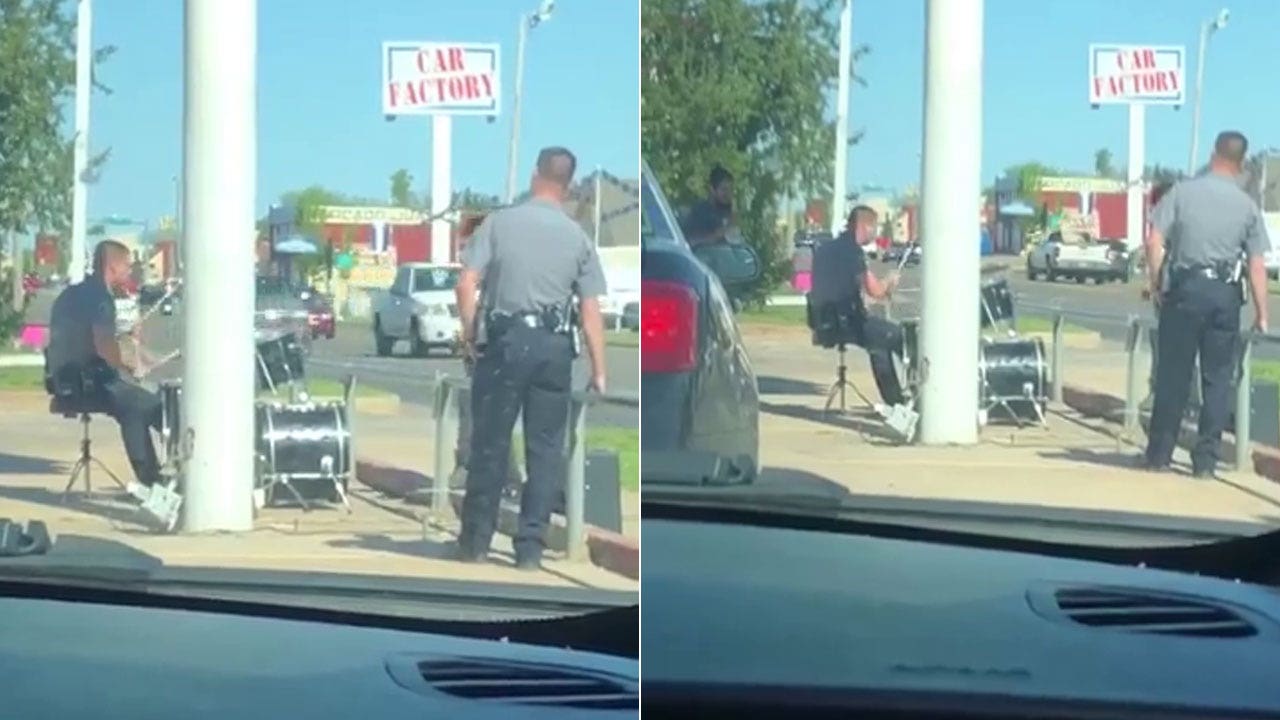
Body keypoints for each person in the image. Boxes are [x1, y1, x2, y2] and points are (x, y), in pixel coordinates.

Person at [454, 146, 608, 571]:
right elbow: (590, 311)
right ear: (568, 186)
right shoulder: (578, 238)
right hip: (554, 348)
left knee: (490, 445)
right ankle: (529, 550)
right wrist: (599, 371)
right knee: (545, 452)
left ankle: (476, 544)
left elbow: (466, 284)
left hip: (505, 343)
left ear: (536, 175)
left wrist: (471, 335)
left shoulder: (499, 224)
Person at [1142, 130, 1271, 477]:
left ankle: (1159, 455)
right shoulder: (1247, 206)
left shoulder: (1182, 193)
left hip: (1184, 291)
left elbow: (1154, 241)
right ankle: (1205, 462)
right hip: (1224, 296)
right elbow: (1256, 265)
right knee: (1217, 380)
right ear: (1241, 163)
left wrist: (1156, 284)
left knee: (1173, 376)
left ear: (1214, 154)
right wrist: (1262, 314)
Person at [46, 240, 164, 489]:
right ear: (112, 266)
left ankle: (155, 478)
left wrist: (132, 352)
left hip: (63, 380)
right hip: (86, 382)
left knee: (141, 401)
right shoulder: (101, 298)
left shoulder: (74, 294)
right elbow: (103, 347)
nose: (130, 271)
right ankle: (154, 483)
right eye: (127, 266)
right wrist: (132, 368)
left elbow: (85, 340)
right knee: (145, 406)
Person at [809, 205, 905, 406]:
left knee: (879, 336)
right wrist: (889, 281)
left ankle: (895, 400)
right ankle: (897, 402)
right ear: (864, 226)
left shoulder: (824, 249)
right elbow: (875, 290)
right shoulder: (853, 251)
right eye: (874, 227)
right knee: (894, 336)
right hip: (847, 322)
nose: (875, 233)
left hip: (822, 321)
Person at [681, 165, 735, 247]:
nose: (728, 194)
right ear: (712, 189)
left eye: (731, 189)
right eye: (724, 189)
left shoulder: (727, 211)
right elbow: (689, 243)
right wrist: (717, 235)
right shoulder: (699, 212)